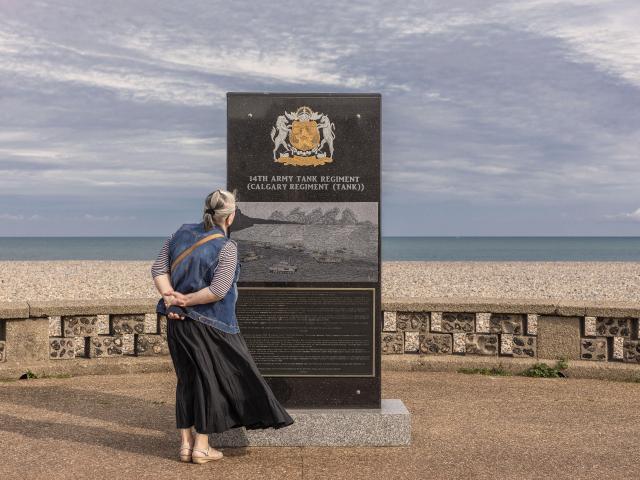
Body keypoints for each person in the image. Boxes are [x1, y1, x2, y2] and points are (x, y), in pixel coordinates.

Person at [151, 188, 294, 464]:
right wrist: (186, 301)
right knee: (210, 381)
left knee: (186, 380)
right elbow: (217, 291)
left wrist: (172, 300)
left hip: (176, 322)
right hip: (210, 324)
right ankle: (201, 448)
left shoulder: (179, 233)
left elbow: (159, 269)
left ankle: (185, 445)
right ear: (231, 217)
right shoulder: (227, 247)